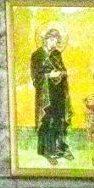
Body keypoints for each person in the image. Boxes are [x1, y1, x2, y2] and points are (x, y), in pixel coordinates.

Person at [29, 27, 71, 162]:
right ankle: (47, 150)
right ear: (46, 40)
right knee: (48, 120)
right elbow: (35, 76)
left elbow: (63, 70)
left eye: (56, 40)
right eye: (52, 39)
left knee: (59, 119)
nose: (54, 42)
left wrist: (61, 73)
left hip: (58, 91)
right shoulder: (37, 55)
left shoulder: (56, 54)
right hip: (45, 93)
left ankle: (60, 148)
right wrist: (48, 75)